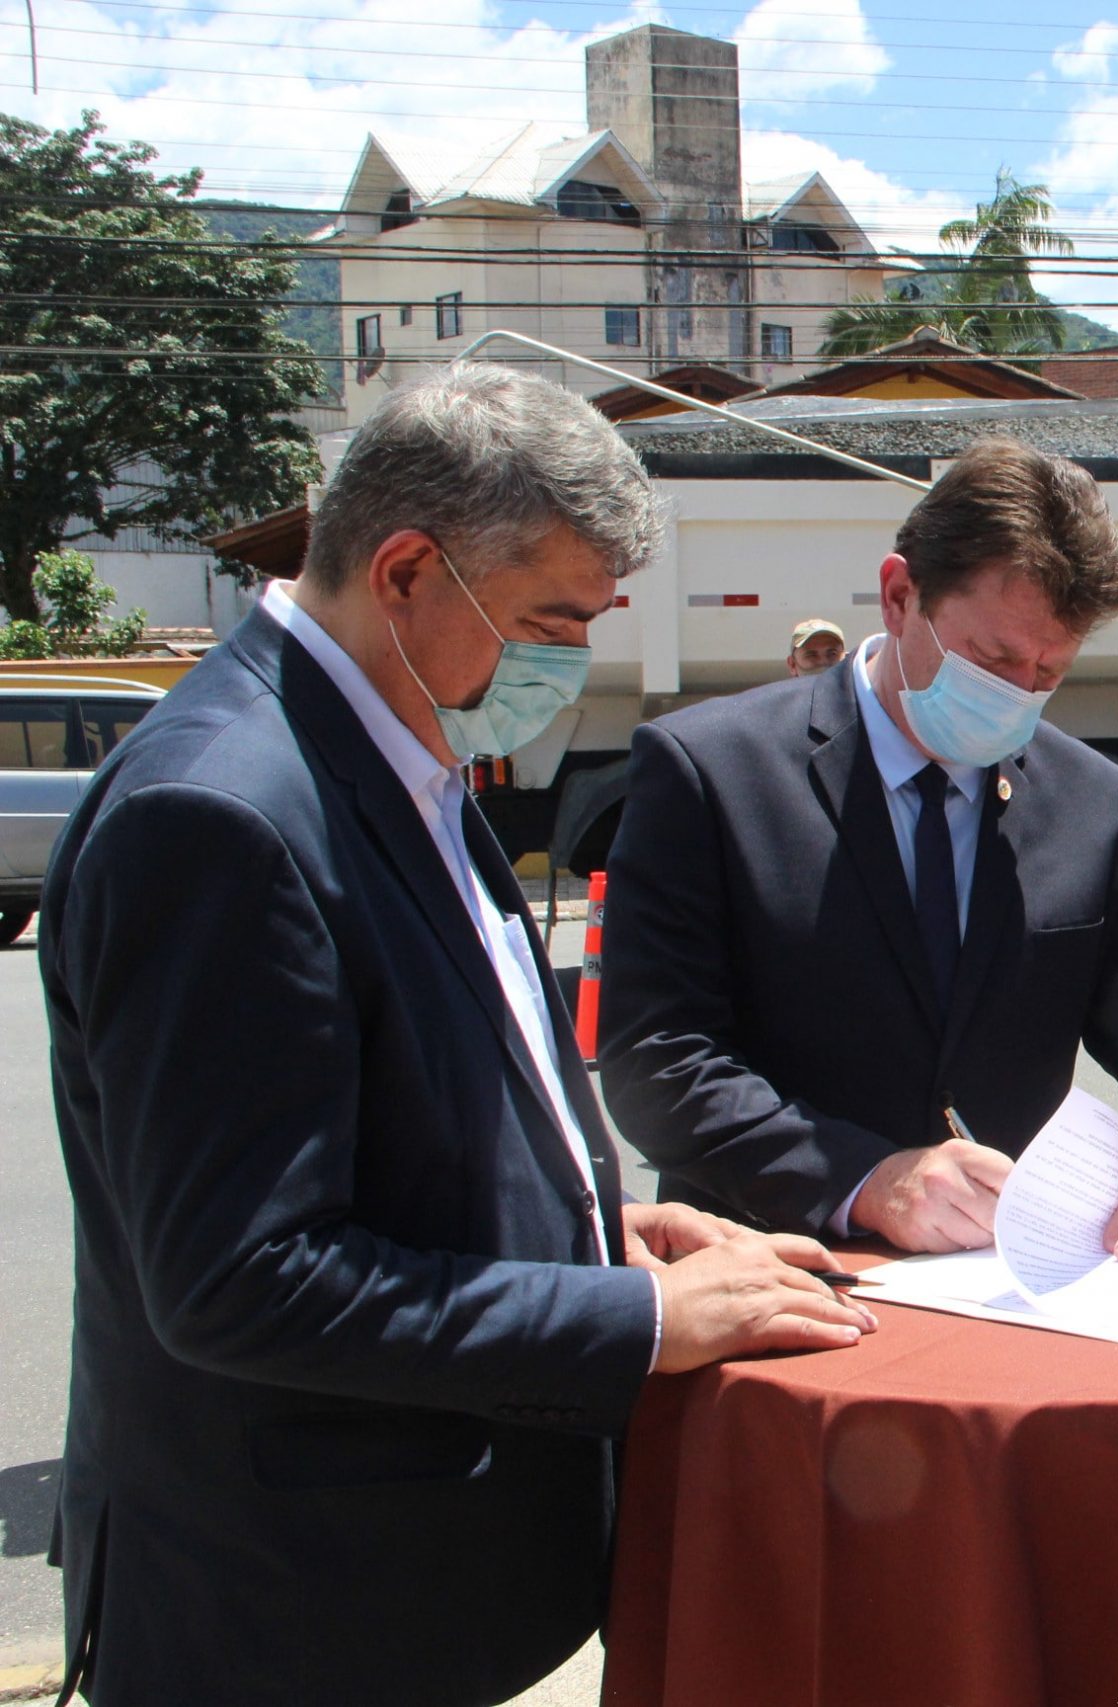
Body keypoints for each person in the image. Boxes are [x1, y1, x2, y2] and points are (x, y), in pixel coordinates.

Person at [37, 365, 873, 1707]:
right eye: (550, 619)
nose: (569, 665)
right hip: (299, 1618)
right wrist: (628, 1314)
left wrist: (606, 1237)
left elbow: (429, 1100)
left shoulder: (392, 749)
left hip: (412, 1587)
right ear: (410, 567)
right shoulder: (222, 815)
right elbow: (243, 1276)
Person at [603, 437, 1118, 1263]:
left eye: (1050, 671)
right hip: (779, 1275)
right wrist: (865, 1179)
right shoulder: (712, 771)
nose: (1020, 694)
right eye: (994, 658)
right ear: (900, 595)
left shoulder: (1097, 804)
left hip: (1008, 1290)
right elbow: (657, 1056)